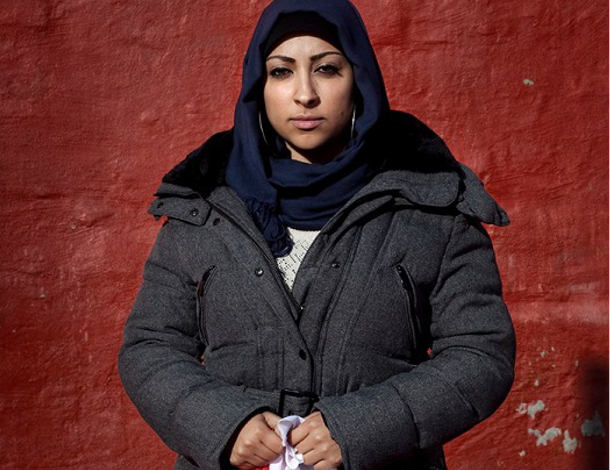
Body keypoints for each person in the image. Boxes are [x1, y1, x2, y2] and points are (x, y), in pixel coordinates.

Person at [117, 1, 516, 469]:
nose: (305, 94)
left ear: (359, 78)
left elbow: (480, 354)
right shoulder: (202, 205)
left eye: (326, 69)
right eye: (282, 72)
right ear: (259, 85)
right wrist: (224, 426)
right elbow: (151, 347)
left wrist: (358, 429)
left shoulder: (432, 205)